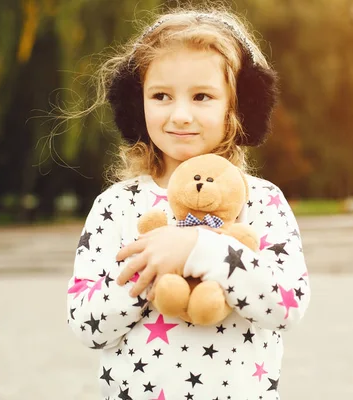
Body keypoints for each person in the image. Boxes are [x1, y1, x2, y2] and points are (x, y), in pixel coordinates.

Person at [66, 7, 311, 400]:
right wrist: (151, 272)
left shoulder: (263, 201)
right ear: (135, 104)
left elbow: (287, 304)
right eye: (161, 95)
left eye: (202, 96)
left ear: (237, 106)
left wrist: (203, 249)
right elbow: (87, 325)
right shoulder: (117, 206)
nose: (181, 115)